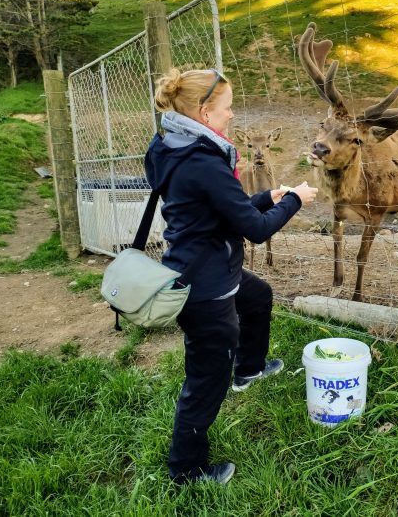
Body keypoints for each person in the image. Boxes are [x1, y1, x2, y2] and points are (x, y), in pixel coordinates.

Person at [145, 67, 318, 485]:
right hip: (206, 285)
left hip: (203, 259)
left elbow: (213, 206)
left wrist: (265, 197)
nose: (232, 115)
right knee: (207, 376)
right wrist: (294, 198)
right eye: (227, 108)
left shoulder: (168, 145)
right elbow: (255, 230)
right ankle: (185, 470)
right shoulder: (203, 160)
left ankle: (250, 367)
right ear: (204, 112)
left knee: (257, 297)